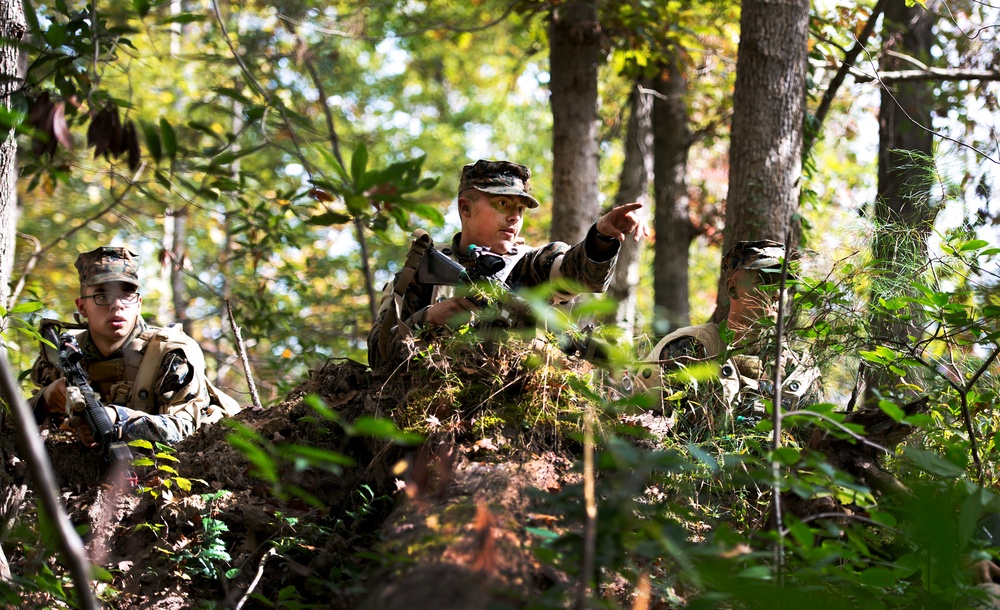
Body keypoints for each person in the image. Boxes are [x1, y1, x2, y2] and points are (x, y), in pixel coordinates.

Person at [368, 158, 648, 369]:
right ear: (465, 208)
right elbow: (377, 355)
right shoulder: (422, 270)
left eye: (520, 209)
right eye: (502, 204)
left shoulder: (531, 264)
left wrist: (601, 237)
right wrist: (427, 319)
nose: (514, 217)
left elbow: (580, 275)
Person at [29, 246, 242, 445]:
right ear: (82, 306)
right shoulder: (64, 354)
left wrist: (117, 420)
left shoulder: (170, 354)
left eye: (127, 295)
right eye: (102, 296)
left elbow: (187, 429)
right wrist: (45, 401)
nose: (117, 305)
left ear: (138, 304)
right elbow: (10, 423)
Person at [632, 240, 820, 426]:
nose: (777, 293)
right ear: (732, 288)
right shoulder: (689, 348)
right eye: (766, 281)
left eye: (784, 285)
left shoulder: (796, 369)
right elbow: (640, 429)